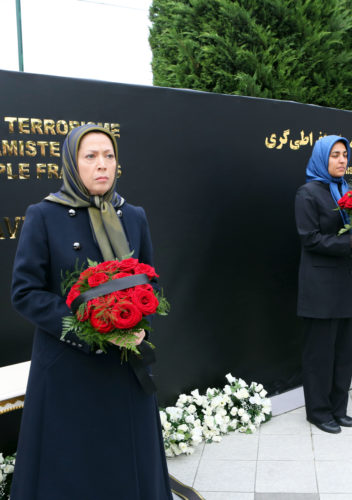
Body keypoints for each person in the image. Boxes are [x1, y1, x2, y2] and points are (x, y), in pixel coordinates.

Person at [10, 124, 173, 500]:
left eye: (109, 156)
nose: (102, 165)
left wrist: (140, 323)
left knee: (126, 462)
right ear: (71, 163)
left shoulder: (133, 215)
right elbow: (25, 292)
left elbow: (152, 281)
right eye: (90, 156)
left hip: (125, 367)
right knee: (75, 467)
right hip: (69, 367)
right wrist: (88, 326)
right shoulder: (43, 215)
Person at [295, 135, 352, 434]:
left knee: (343, 352)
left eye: (345, 155)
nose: (342, 160)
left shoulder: (350, 190)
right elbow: (310, 238)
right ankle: (318, 411)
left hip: (347, 284)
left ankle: (338, 408)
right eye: (335, 155)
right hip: (321, 288)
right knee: (320, 354)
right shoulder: (307, 193)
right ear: (322, 158)